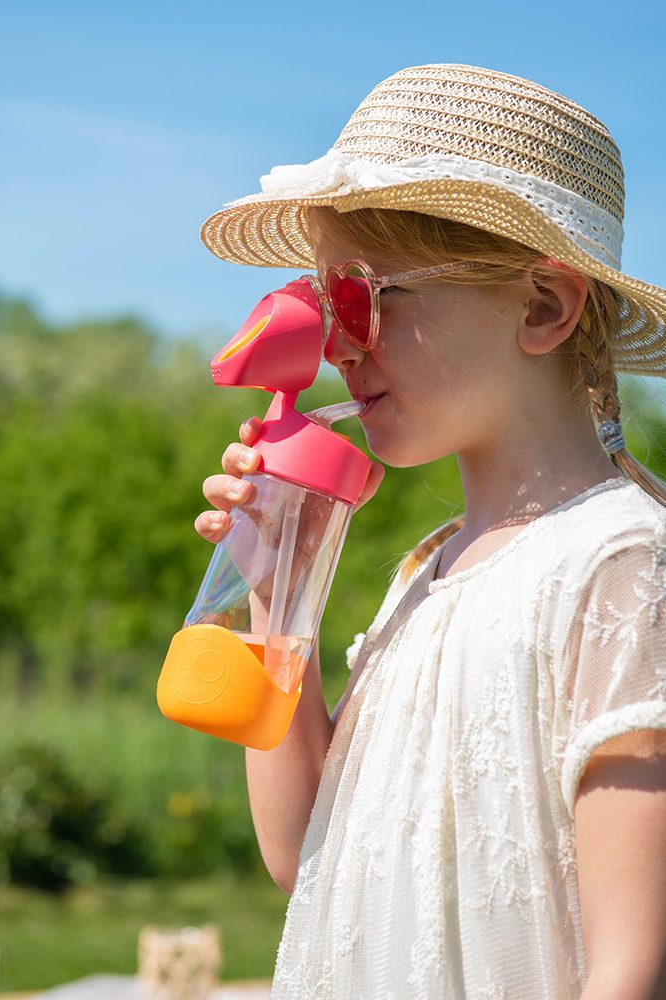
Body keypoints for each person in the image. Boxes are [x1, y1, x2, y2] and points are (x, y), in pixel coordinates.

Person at [195, 65, 666, 999]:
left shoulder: (620, 568)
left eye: (366, 297)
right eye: (323, 304)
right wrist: (279, 576)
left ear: (542, 306)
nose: (335, 344)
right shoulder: (427, 571)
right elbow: (302, 856)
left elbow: (631, 966)